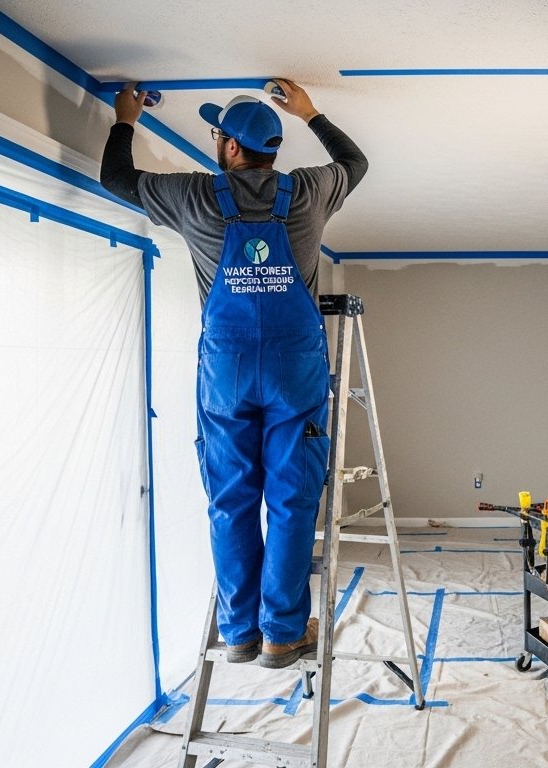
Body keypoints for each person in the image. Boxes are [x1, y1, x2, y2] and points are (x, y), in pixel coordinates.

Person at [101, 80, 367, 669]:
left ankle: (240, 633)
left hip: (226, 372)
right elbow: (355, 161)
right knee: (293, 501)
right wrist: (310, 113)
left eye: (218, 134)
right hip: (295, 370)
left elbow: (115, 178)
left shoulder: (194, 196)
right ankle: (282, 633)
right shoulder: (308, 193)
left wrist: (126, 119)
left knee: (231, 501)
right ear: (270, 148)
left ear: (228, 148)